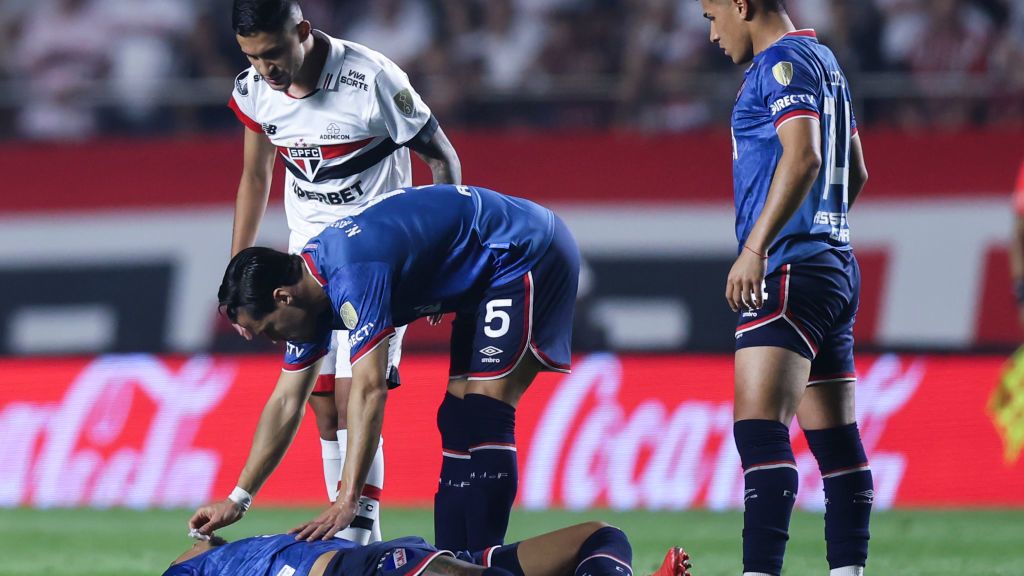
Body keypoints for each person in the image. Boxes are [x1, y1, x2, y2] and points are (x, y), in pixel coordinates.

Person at [189, 184, 580, 552]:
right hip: (480, 277)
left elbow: (368, 388)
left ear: (283, 297)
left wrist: (348, 500)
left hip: (523, 251)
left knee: (484, 412)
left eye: (269, 329)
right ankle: (456, 561)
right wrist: (238, 499)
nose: (275, 340)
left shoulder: (351, 274)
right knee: (458, 418)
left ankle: (481, 564)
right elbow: (287, 400)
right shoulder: (311, 294)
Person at [225, 0, 462, 544]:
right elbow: (255, 175)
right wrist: (240, 267)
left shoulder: (371, 79)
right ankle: (359, 537)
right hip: (308, 259)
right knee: (322, 401)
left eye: (274, 54)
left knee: (361, 390)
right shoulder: (255, 90)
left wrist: (441, 266)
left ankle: (353, 537)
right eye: (253, 58)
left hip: (376, 260)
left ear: (303, 31)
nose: (266, 69)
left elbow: (442, 158)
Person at [697, 1, 872, 575]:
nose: (712, 32)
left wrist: (759, 247)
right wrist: (822, 229)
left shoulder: (782, 65)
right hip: (834, 265)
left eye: (712, 15)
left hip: (790, 270)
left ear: (742, 5)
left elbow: (804, 157)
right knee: (837, 446)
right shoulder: (826, 62)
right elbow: (857, 170)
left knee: (759, 431)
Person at [164, 521, 692, 576]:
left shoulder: (235, 551)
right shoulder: (188, 571)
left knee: (598, 538)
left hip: (407, 553)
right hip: (348, 571)